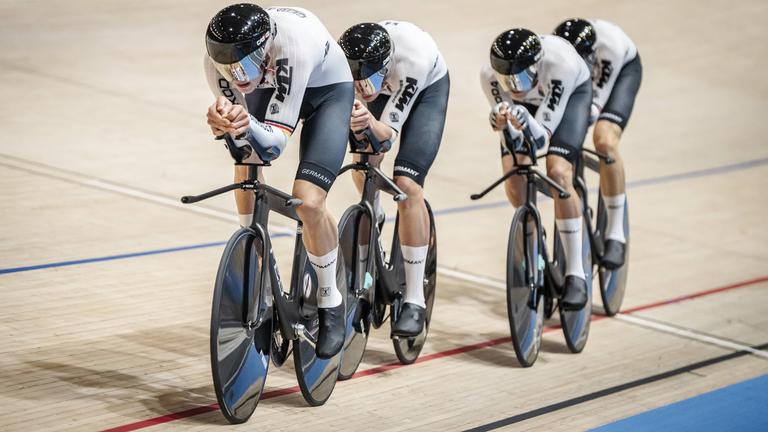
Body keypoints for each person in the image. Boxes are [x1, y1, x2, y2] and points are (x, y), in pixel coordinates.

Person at [203, 3, 354, 358]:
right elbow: (247, 143)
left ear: (267, 46)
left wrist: (245, 124)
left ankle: (330, 300)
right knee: (244, 157)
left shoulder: (292, 47)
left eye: (244, 64)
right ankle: (252, 246)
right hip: (270, 88)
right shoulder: (218, 64)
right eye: (229, 68)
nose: (237, 76)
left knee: (309, 200)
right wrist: (226, 124)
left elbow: (274, 145)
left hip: (325, 93)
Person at [338, 21, 449, 335]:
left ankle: (415, 298)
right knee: (363, 166)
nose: (364, 87)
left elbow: (385, 135)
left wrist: (369, 121)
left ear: (384, 65)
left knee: (407, 185)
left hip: (425, 90)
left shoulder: (412, 60)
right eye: (357, 81)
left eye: (368, 78)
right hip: (386, 87)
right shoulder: (352, 69)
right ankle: (375, 211)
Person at [480, 29, 592, 310]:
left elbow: (542, 138)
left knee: (558, 173)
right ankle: (534, 232)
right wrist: (501, 122)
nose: (514, 85)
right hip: (527, 110)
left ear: (536, 65)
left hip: (569, 97)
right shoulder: (490, 76)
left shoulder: (560, 65)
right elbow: (511, 138)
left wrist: (525, 122)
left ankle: (575, 273)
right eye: (508, 80)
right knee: (515, 182)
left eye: (520, 77)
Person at [554, 18, 642, 270]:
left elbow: (593, 106)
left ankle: (616, 233)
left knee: (603, 139)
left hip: (621, 71)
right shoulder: (560, 53)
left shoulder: (610, 47)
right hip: (581, 80)